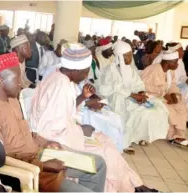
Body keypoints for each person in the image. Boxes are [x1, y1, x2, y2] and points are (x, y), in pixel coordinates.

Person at [29, 43, 158, 192]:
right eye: (86, 71)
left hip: (65, 134)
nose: (87, 74)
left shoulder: (60, 77)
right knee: (105, 152)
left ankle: (136, 185)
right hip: (57, 144)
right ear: (76, 70)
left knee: (106, 140)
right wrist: (78, 131)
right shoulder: (60, 85)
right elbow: (50, 131)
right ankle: (132, 188)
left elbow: (63, 111)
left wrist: (82, 97)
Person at [0, 53, 107, 192]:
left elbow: (26, 133)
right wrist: (43, 165)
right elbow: (2, 160)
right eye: (17, 78)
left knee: (98, 164)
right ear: (0, 80)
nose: (21, 83)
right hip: (33, 171)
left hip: (40, 153)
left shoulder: (11, 99)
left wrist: (45, 142)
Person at [98, 41, 169, 153]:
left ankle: (138, 136)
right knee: (122, 103)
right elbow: (112, 88)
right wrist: (132, 95)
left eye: (131, 55)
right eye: (127, 56)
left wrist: (141, 92)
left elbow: (138, 84)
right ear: (119, 57)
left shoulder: (130, 70)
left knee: (156, 108)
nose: (130, 58)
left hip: (132, 97)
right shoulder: (110, 70)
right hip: (117, 99)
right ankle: (124, 141)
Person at [141, 49, 188, 147]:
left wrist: (173, 94)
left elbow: (172, 85)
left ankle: (179, 134)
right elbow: (145, 86)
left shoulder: (170, 72)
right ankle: (173, 136)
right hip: (151, 96)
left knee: (180, 104)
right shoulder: (154, 69)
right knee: (169, 109)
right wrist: (164, 95)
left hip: (164, 96)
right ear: (168, 62)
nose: (177, 65)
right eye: (175, 62)